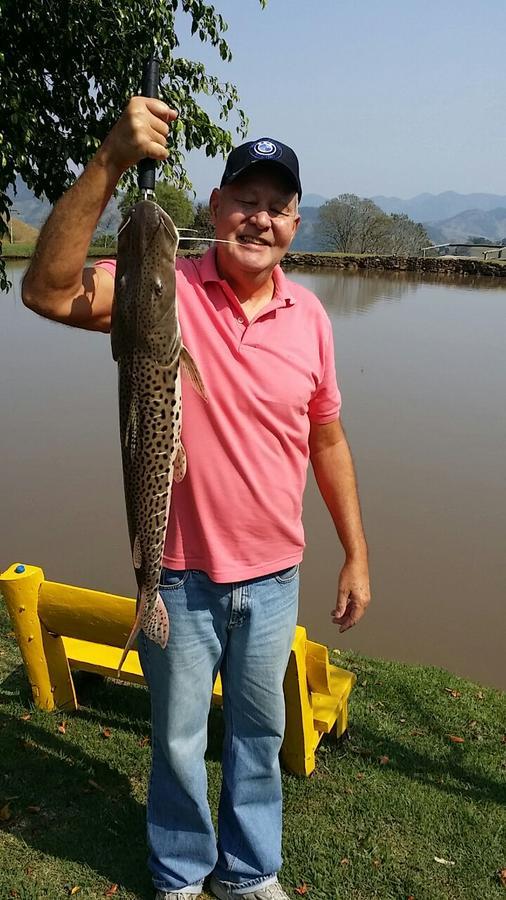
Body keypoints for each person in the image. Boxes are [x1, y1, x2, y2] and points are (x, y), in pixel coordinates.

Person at [22, 97, 371, 900]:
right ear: (213, 209)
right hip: (174, 575)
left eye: (277, 207)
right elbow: (45, 292)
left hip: (275, 578)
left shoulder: (312, 318)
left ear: (296, 222)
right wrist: (111, 160)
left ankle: (249, 874)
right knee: (177, 740)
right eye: (244, 200)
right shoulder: (160, 287)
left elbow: (328, 441)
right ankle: (180, 873)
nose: (259, 219)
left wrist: (356, 552)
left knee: (260, 734)